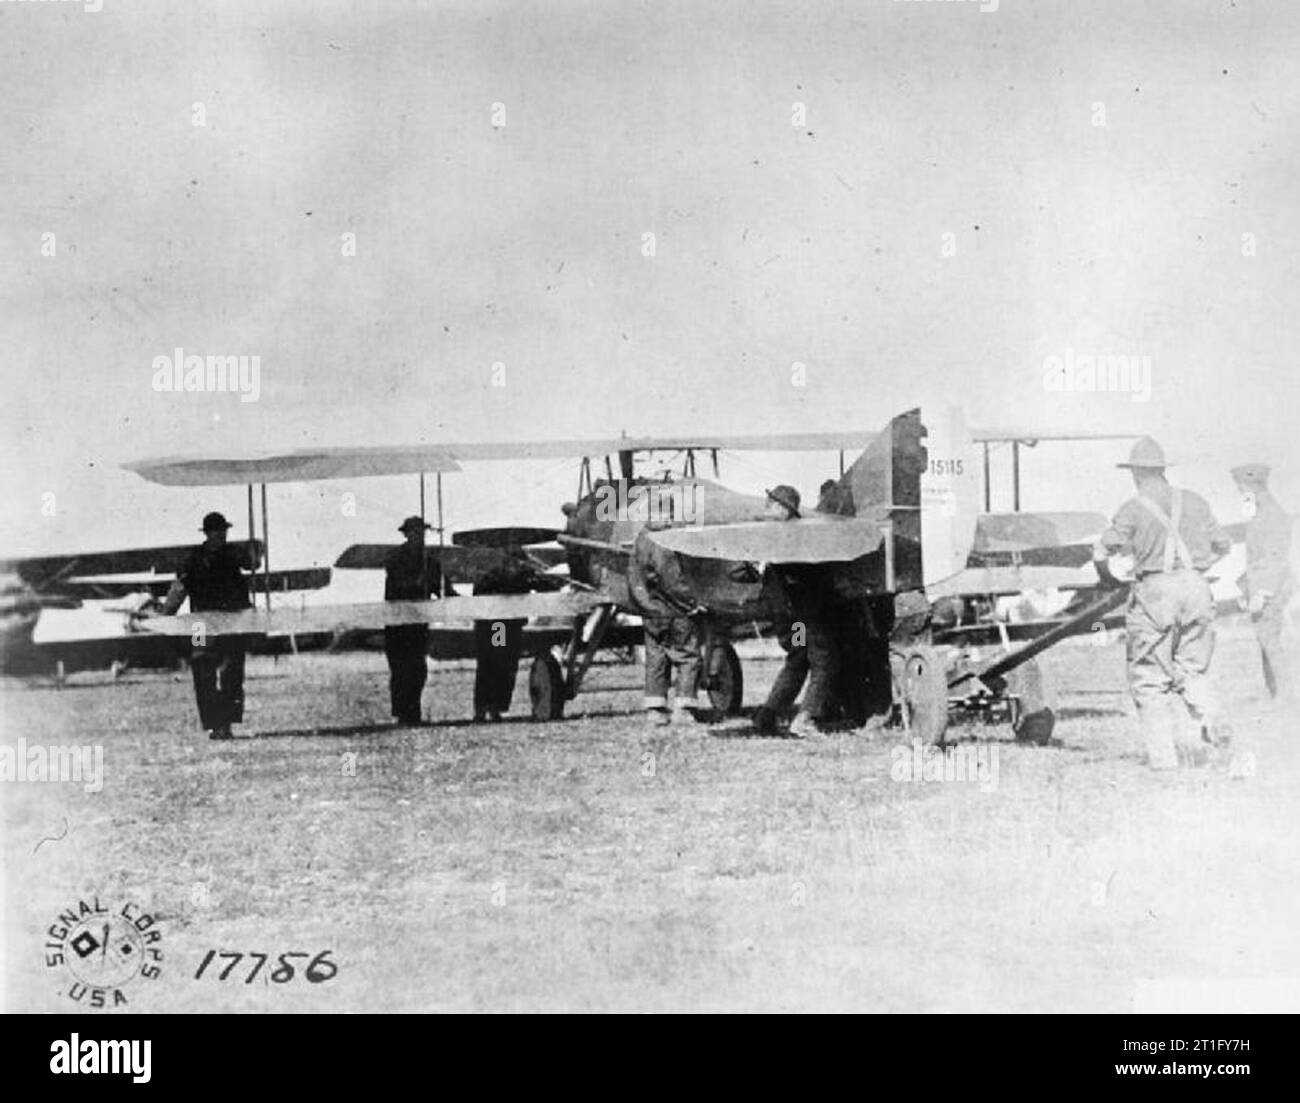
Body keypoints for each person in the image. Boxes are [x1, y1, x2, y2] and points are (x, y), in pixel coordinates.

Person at [1093, 438, 1233, 770]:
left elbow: (1102, 550)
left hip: (1155, 590)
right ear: (1162, 469)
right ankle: (1214, 722)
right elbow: (1223, 545)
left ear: (1136, 473)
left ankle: (1163, 760)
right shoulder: (1196, 502)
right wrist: (1198, 569)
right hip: (1197, 587)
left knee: (1149, 676)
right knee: (1193, 670)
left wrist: (1108, 577)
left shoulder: (1132, 508)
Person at [158, 511, 252, 740]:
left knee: (232, 671)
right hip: (200, 624)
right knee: (202, 670)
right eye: (217, 531)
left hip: (230, 622)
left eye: (224, 531)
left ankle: (226, 724)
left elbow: (251, 565)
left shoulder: (233, 556)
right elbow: (179, 588)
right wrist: (165, 615)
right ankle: (213, 723)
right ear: (208, 533)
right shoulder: (192, 560)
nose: (221, 535)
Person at [629, 527, 708, 727]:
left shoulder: (641, 538)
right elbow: (671, 579)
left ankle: (655, 710)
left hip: (650, 609)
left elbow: (633, 577)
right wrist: (692, 603)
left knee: (656, 657)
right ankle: (684, 709)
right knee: (688, 656)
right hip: (673, 610)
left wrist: (645, 604)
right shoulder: (664, 538)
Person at [1230, 463, 1294, 701]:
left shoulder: (1269, 514)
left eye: (1240, 488)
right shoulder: (1263, 512)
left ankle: (1284, 697)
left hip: (1271, 586)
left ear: (1248, 487)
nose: (1238, 494)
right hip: (1265, 584)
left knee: (1270, 641)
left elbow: (1274, 556)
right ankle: (1276, 694)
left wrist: (1263, 592)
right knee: (1266, 640)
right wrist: (1248, 589)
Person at [384, 516, 451, 726]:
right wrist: (420, 583)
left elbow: (443, 588)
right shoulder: (396, 559)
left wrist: (461, 601)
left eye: (421, 533)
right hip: (397, 623)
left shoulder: (430, 561)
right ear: (406, 534)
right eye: (414, 533)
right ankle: (403, 714)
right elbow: (398, 586)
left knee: (418, 670)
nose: (418, 537)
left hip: (418, 624)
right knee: (400, 670)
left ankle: (413, 712)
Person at [473, 542, 530, 722]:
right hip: (498, 626)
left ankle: (493, 707)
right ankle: (487, 707)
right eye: (516, 563)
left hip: (509, 626)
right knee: (495, 663)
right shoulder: (494, 577)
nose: (518, 567)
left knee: (506, 666)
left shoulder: (521, 578)